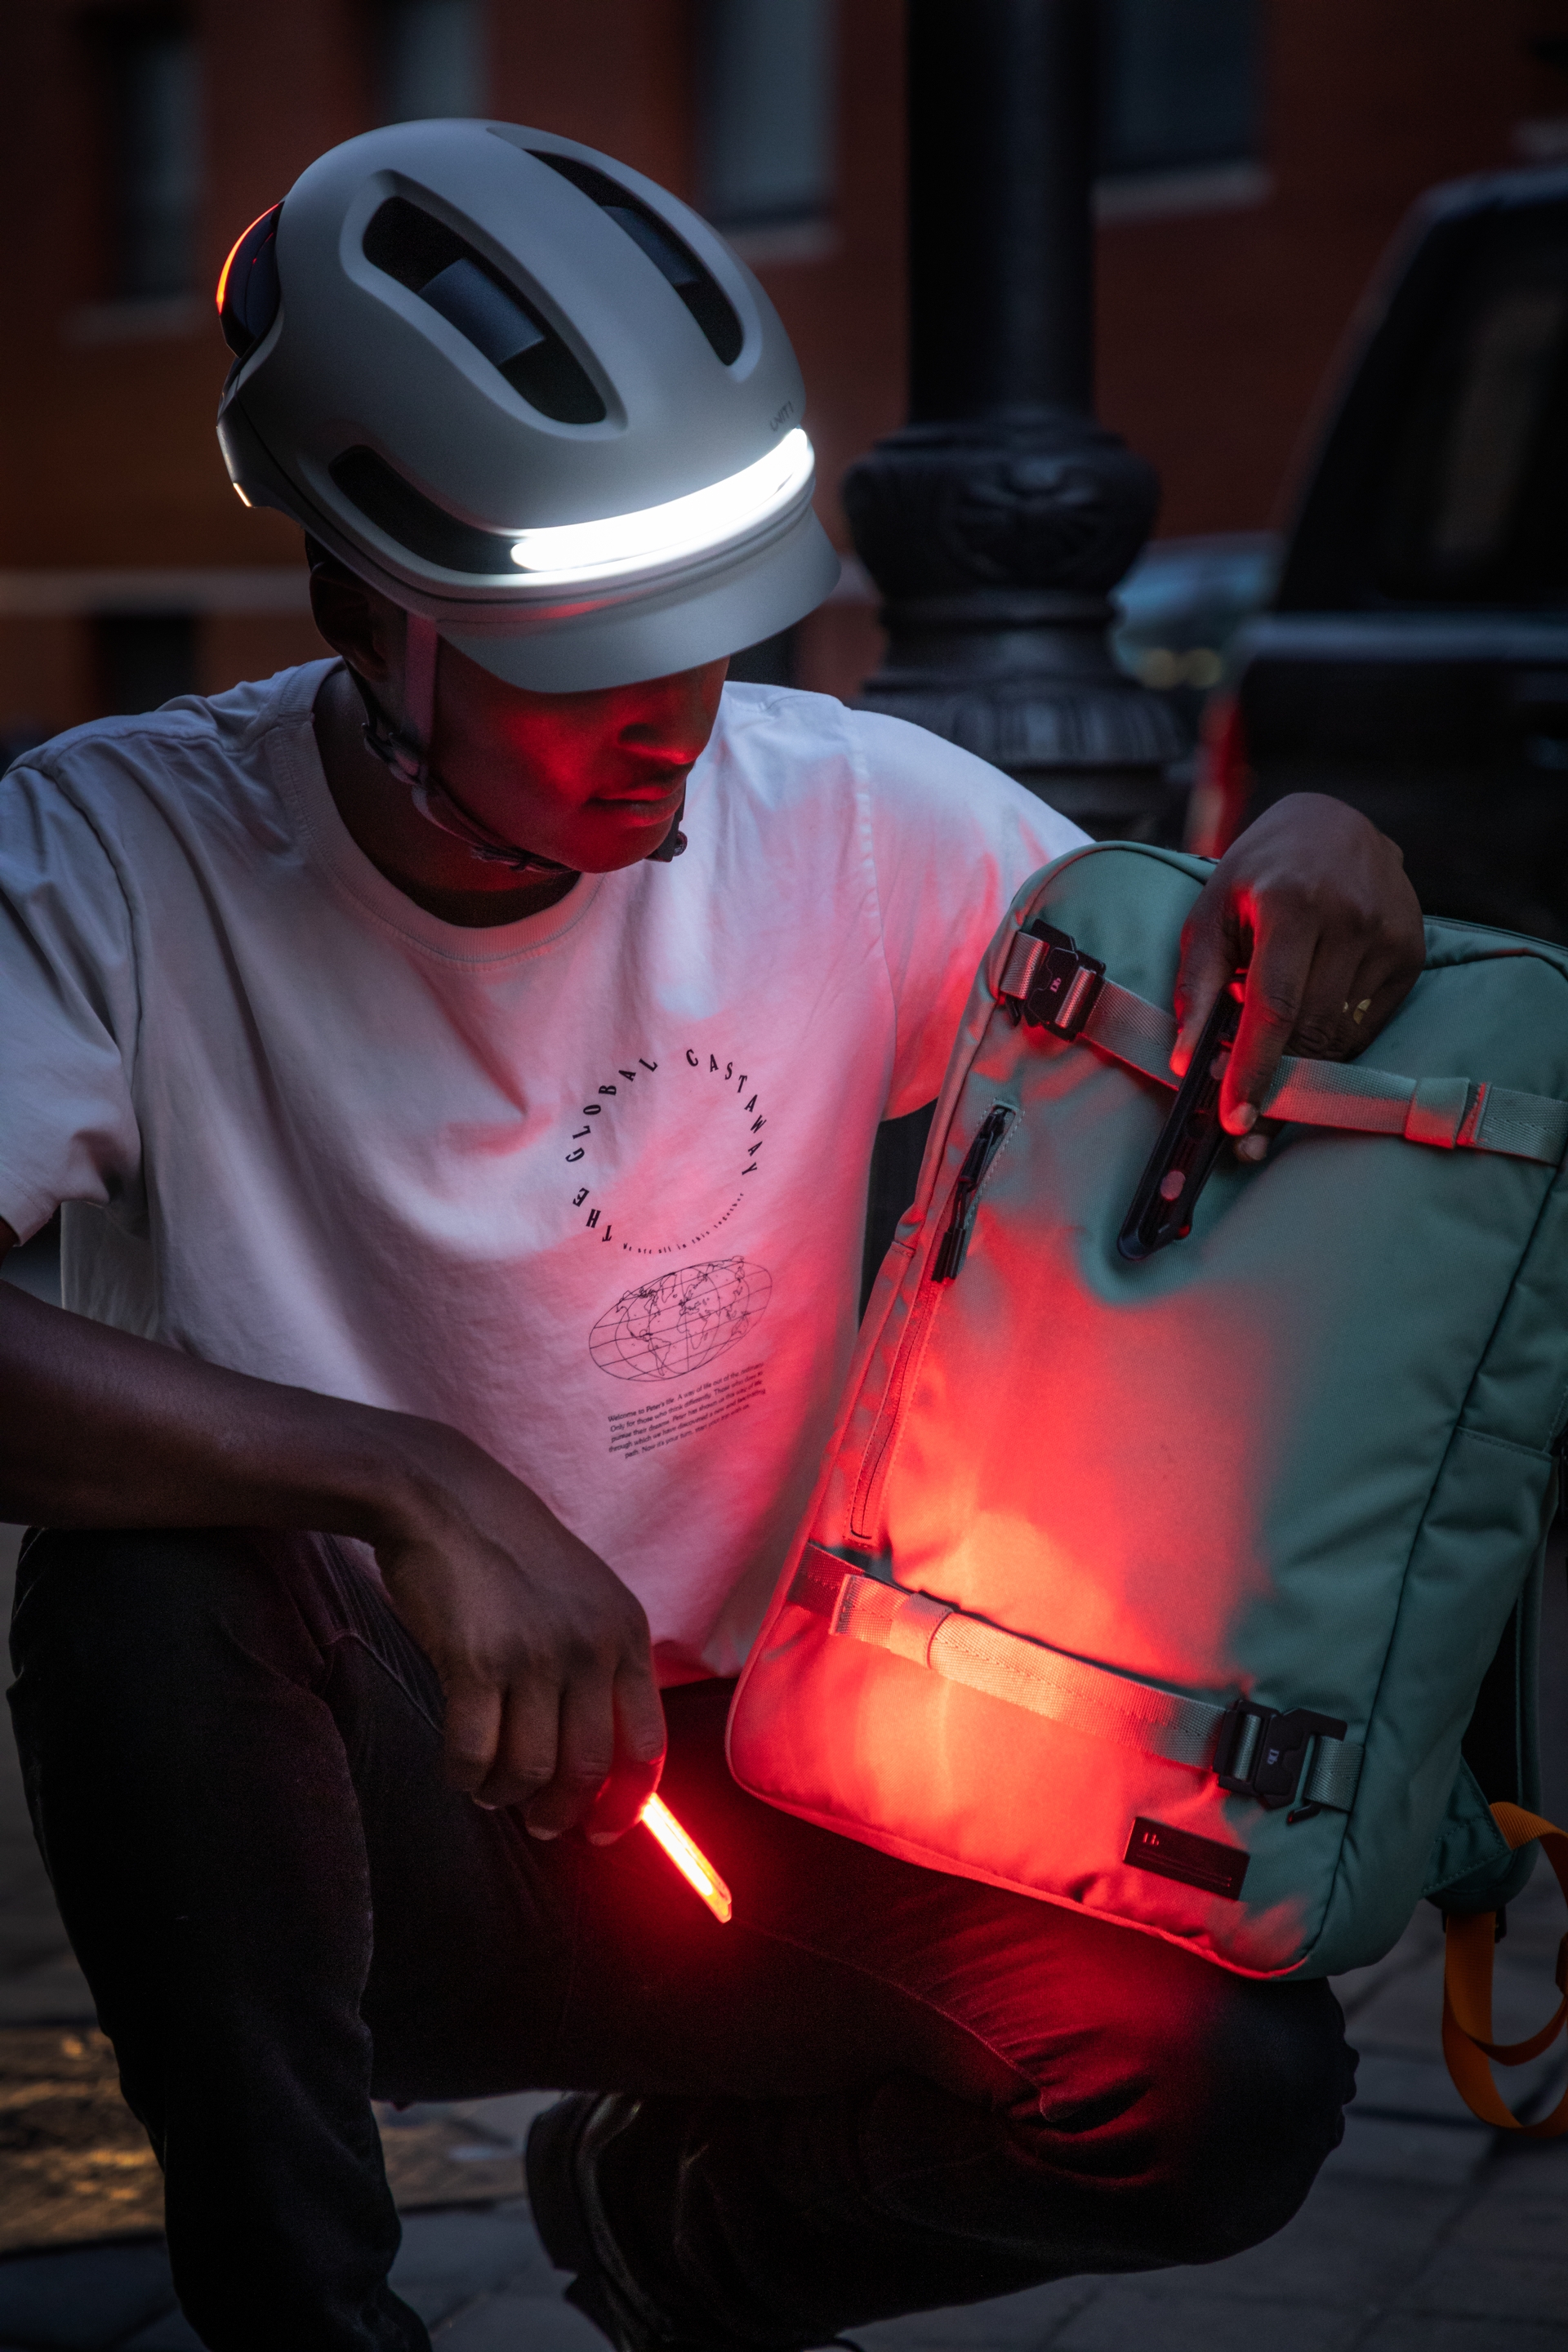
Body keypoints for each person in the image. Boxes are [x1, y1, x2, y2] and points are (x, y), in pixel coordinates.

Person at [1, 123, 1422, 2352]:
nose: (673, 716)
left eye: (715, 632)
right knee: (146, 1590)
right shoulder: (117, 855)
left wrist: (1322, 845)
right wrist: (411, 1483)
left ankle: (673, 2237)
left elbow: (1211, 1024)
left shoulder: (847, 813)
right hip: (364, 1820)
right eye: (585, 659)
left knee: (1218, 2092)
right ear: (370, 611)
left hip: (763, 1798)